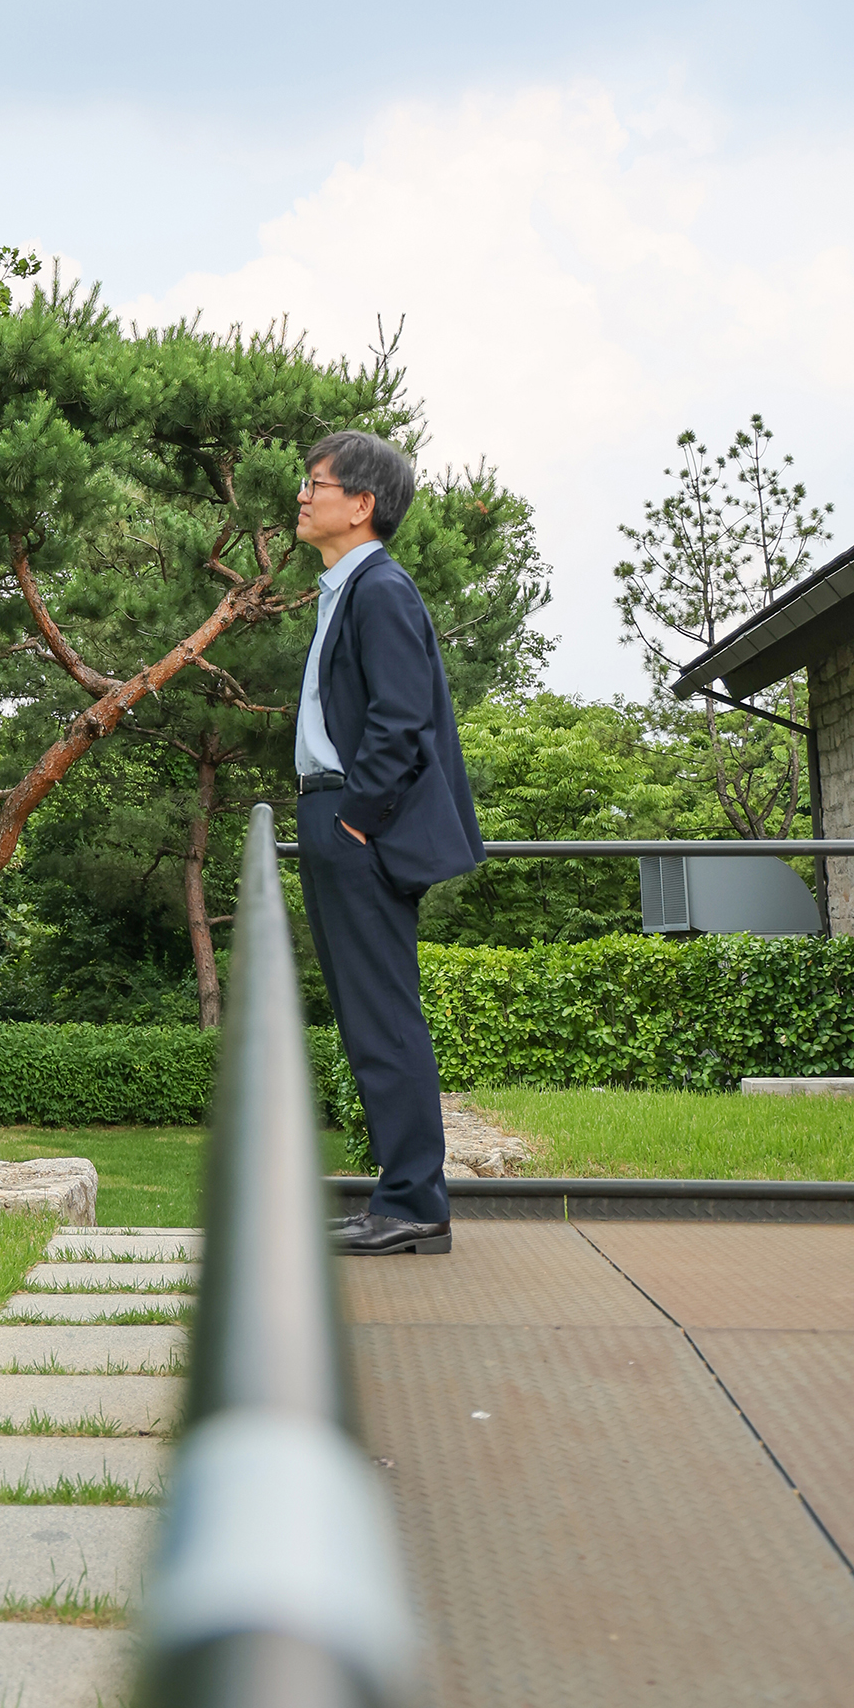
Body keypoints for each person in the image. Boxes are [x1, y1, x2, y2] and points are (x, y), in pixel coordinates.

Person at [292, 430, 484, 1256]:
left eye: (317, 483)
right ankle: (400, 1196)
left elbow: (399, 722)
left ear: (361, 504)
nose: (303, 496)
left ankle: (413, 1203)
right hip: (337, 818)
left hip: (356, 826)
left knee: (384, 1019)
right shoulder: (346, 589)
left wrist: (355, 818)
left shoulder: (381, 589)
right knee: (368, 1018)